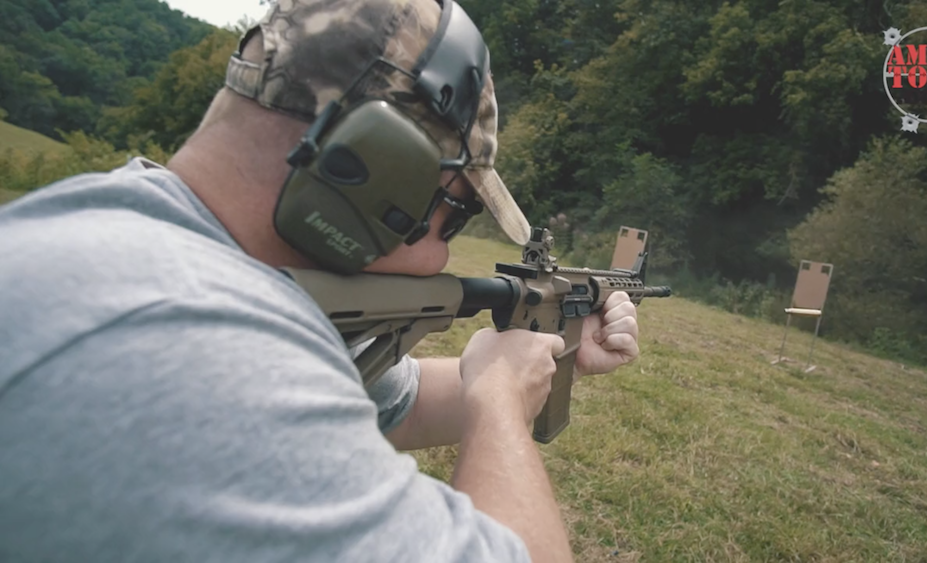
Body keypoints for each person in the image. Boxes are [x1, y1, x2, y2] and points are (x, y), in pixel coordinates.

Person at [0, 0, 641, 561]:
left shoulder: (139, 243)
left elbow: (401, 401)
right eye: (455, 216)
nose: (440, 262)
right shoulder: (193, 351)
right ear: (370, 169)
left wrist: (543, 359)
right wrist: (500, 404)